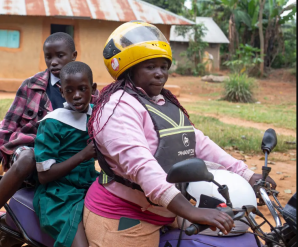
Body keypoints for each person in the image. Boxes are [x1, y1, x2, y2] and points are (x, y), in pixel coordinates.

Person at [83, 21, 277, 247]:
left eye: (164, 67)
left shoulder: (163, 103)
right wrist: (192, 211)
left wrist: (246, 174)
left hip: (171, 208)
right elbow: (141, 166)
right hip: (125, 216)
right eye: (150, 67)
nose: (160, 74)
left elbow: (199, 143)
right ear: (129, 70)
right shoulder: (116, 108)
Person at [0, 32, 88, 245]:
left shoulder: (84, 85)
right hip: (27, 153)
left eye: (60, 55)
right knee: (30, 156)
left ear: (73, 55)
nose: (54, 62)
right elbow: (6, 127)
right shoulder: (32, 85)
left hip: (65, 160)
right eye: (49, 57)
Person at [33, 61, 98, 247]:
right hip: (58, 195)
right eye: (69, 91)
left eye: (82, 89)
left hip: (89, 186)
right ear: (62, 92)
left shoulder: (96, 117)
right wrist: (83, 155)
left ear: (93, 88)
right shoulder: (53, 123)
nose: (76, 95)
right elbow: (44, 175)